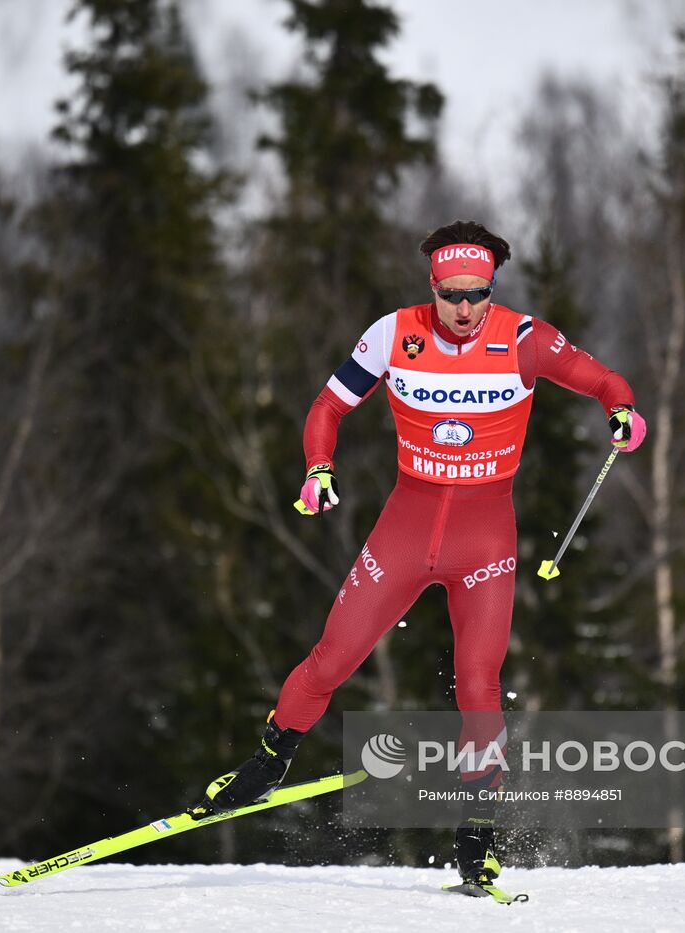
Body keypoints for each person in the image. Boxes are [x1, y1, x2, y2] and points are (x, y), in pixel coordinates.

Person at [192, 220, 645, 887]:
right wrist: (318, 469)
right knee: (331, 658)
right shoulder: (392, 333)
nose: (465, 308)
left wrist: (624, 413)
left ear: (493, 288)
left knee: (479, 683)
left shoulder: (523, 339)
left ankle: (479, 832)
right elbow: (327, 405)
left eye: (478, 293)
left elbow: (605, 380)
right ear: (432, 286)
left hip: (484, 536)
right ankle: (266, 762)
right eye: (452, 293)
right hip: (405, 528)